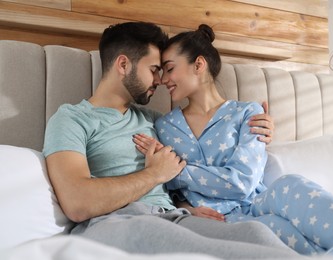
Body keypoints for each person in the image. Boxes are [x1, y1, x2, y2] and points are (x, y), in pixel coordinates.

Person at [42, 21, 300, 259]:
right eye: (154, 70)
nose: (160, 80)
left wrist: (257, 126)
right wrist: (154, 174)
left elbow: (199, 145)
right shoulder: (71, 120)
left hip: (176, 216)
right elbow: (77, 203)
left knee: (254, 234)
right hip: (119, 222)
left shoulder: (157, 122)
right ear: (123, 65)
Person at [133, 24, 333, 256]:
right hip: (216, 220)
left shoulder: (249, 113)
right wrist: (186, 207)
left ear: (198, 65)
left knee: (290, 184)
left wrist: (175, 170)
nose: (163, 79)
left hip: (256, 203)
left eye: (169, 69)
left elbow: (242, 182)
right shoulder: (165, 126)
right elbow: (168, 191)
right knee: (273, 230)